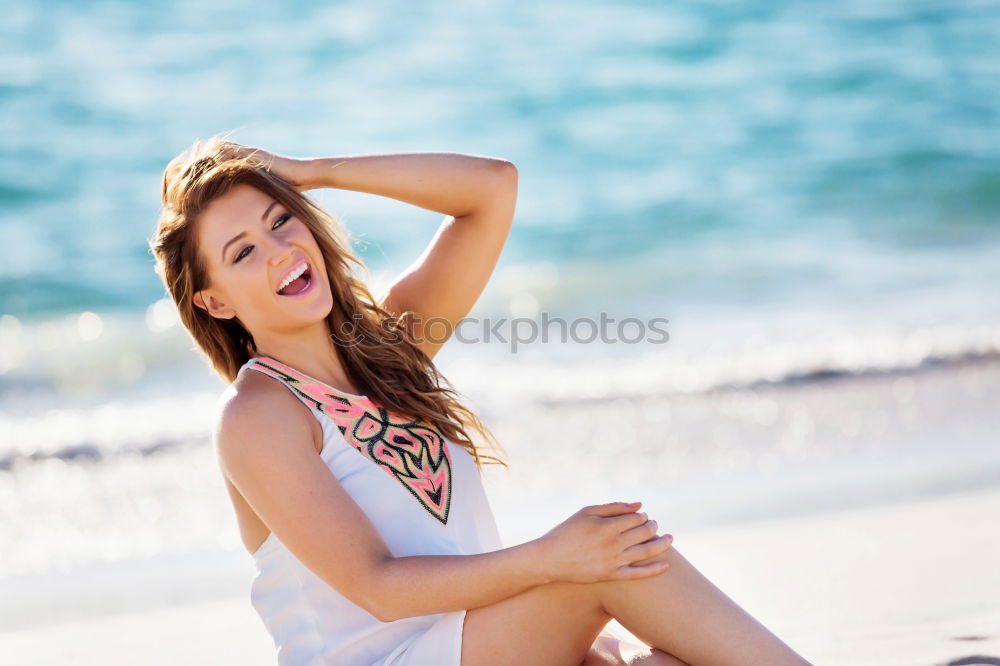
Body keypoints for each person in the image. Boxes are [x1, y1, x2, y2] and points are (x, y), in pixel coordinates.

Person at [149, 133, 814, 666]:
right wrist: (552, 561)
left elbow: (491, 190)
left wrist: (313, 170)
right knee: (613, 561)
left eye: (281, 221)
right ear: (214, 302)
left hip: (473, 647)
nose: (279, 252)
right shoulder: (258, 415)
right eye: (242, 253)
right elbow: (378, 587)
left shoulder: (391, 349)